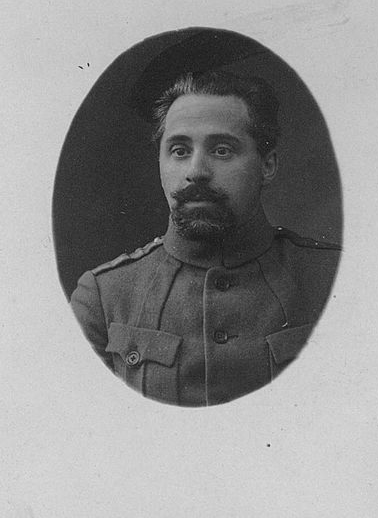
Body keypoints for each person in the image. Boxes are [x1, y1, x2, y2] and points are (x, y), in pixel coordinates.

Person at [71, 70, 341, 407]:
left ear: (267, 165)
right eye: (179, 151)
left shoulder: (333, 276)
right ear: (160, 162)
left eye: (222, 150)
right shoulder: (102, 297)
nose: (196, 171)